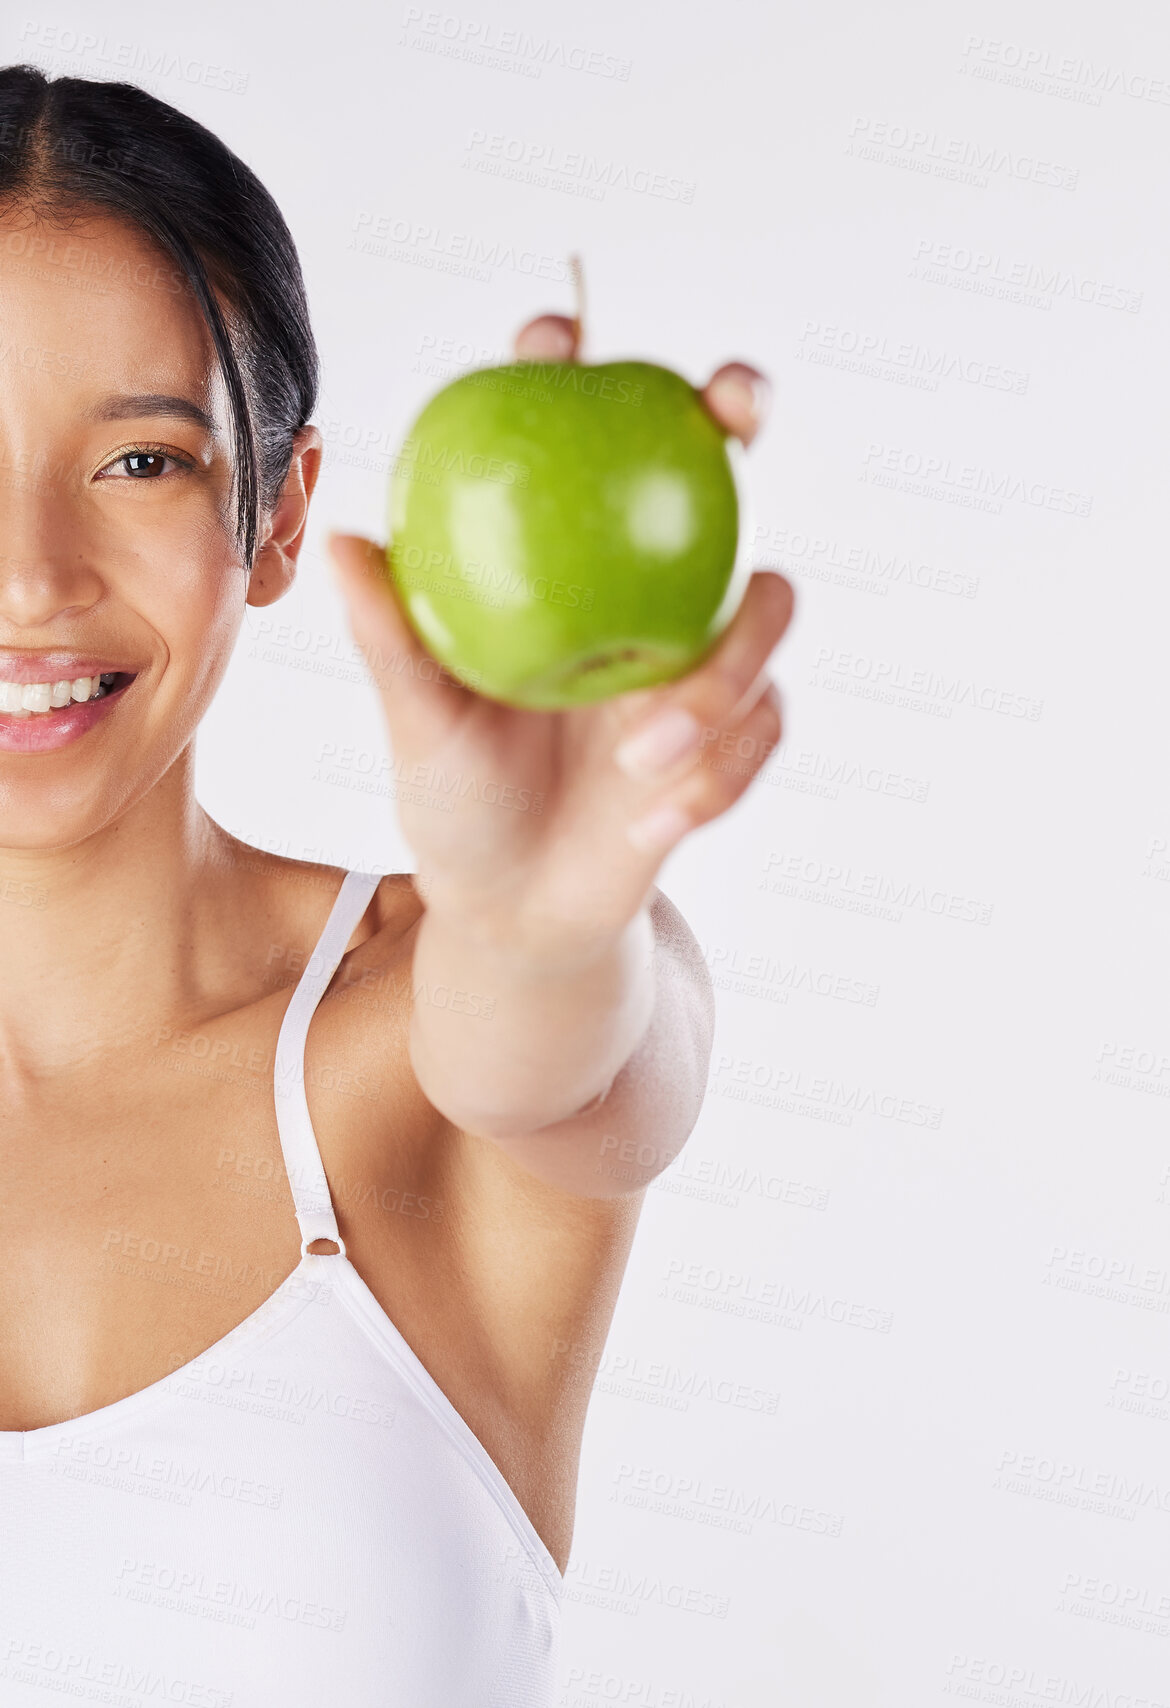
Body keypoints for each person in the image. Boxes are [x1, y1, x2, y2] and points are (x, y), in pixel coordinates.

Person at [0, 65, 794, 1707]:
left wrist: (535, 919)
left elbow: (561, 1057)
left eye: (140, 464)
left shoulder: (414, 1033)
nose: (31, 573)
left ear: (278, 517)